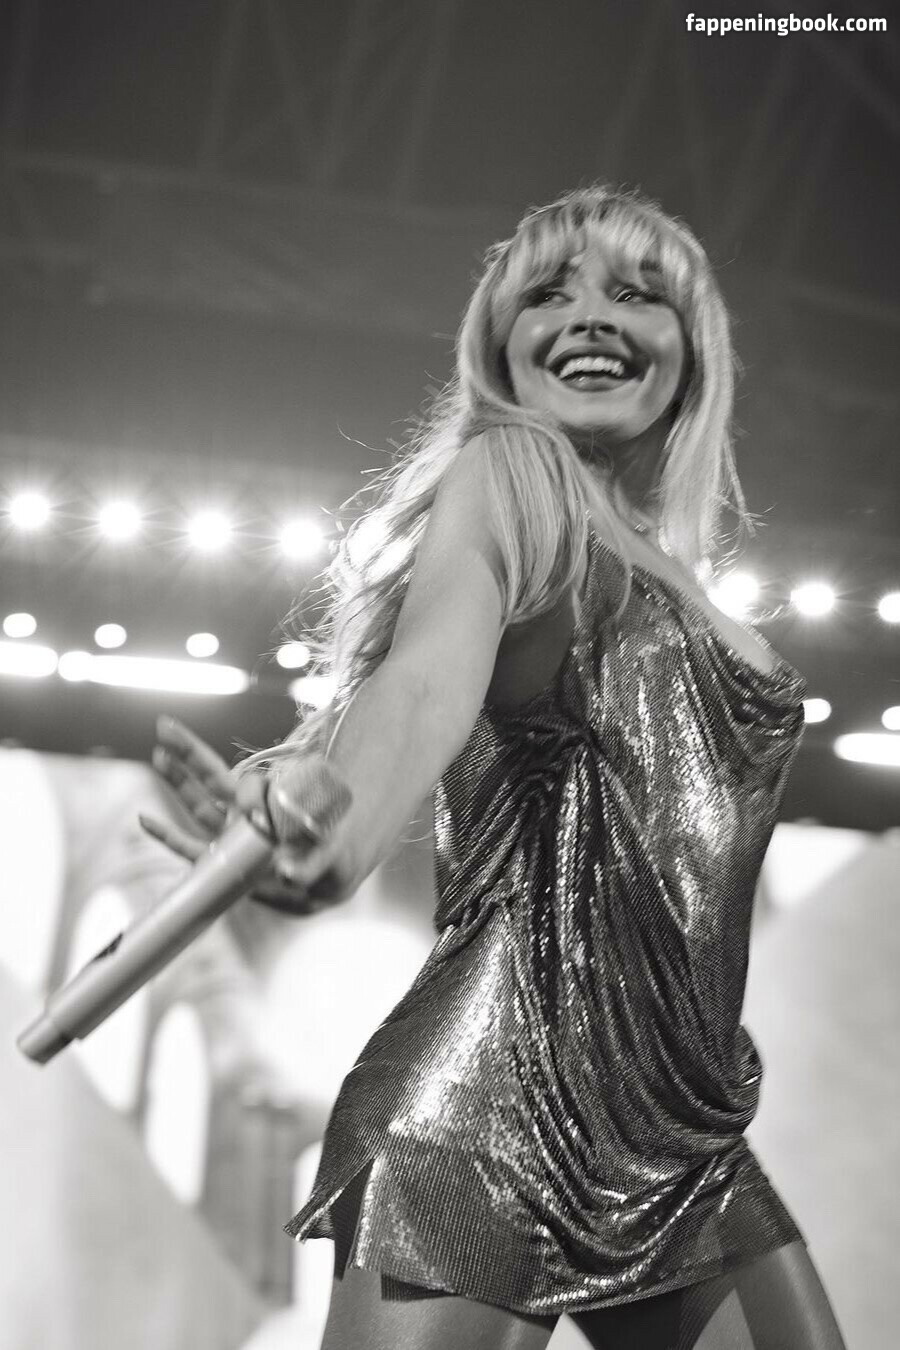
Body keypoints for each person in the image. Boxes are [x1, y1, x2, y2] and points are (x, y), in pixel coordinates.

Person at [144, 185, 848, 1349]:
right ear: (501, 347)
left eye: (636, 293)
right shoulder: (517, 480)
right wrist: (340, 837)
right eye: (548, 294)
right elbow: (424, 683)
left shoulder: (696, 591)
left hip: (685, 1127)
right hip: (494, 1101)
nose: (591, 315)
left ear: (691, 346)